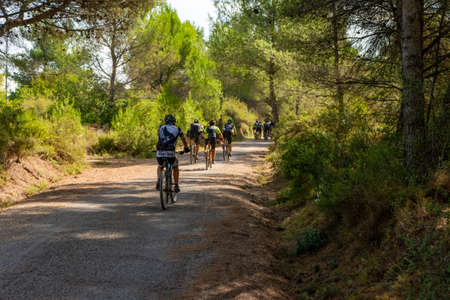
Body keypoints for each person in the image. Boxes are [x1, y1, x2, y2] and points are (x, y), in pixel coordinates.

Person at [156, 114, 190, 193]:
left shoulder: (161, 127)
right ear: (174, 122)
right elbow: (183, 139)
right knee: (175, 166)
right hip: (170, 152)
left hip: (160, 151)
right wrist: (186, 148)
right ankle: (176, 185)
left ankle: (159, 180)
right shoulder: (178, 129)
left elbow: (160, 138)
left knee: (160, 166)